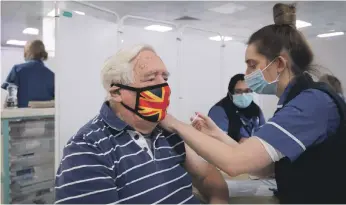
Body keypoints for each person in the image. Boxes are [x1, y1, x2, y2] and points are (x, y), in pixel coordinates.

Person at [159, 3, 346, 204]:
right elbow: (264, 167)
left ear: (280, 64)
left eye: (252, 65)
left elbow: (234, 163)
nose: (247, 75)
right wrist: (217, 134)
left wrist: (173, 123)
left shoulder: (311, 105)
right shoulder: (296, 101)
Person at [55, 44, 229, 204]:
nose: (163, 86)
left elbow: (208, 175)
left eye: (165, 77)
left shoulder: (166, 130)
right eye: (151, 79)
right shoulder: (87, 149)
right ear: (116, 92)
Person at [208, 74, 265, 143]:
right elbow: (217, 142)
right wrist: (238, 143)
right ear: (230, 93)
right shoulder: (218, 111)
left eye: (247, 91)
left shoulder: (256, 110)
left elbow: (264, 136)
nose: (243, 95)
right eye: (238, 91)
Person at [1, 40, 54, 108]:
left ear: (27, 52)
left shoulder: (17, 69)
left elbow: (10, 98)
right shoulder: (52, 75)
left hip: (21, 116)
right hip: (47, 117)